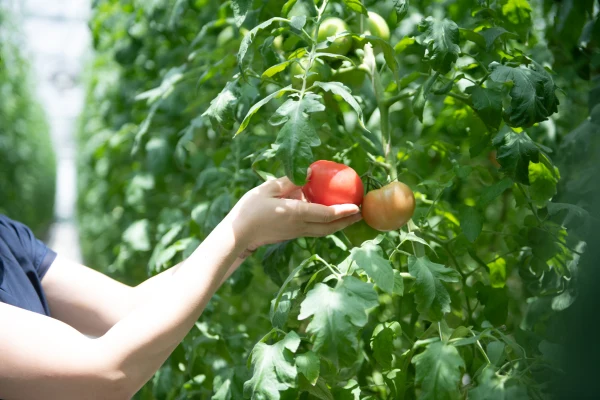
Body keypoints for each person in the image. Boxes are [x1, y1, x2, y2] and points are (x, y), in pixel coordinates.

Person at [0, 176, 362, 400]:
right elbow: (103, 376)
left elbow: (128, 307)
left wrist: (246, 239)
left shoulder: (6, 237)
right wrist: (239, 229)